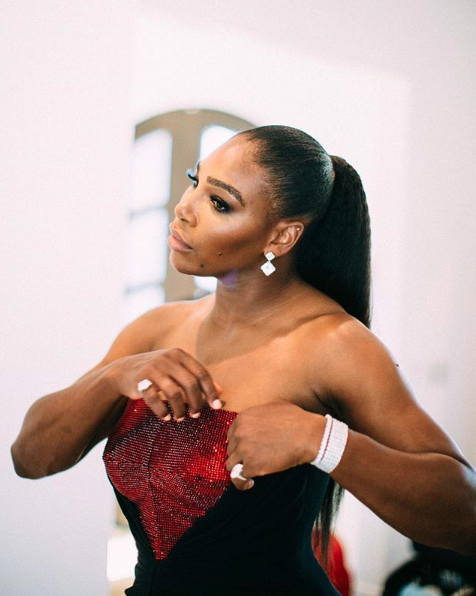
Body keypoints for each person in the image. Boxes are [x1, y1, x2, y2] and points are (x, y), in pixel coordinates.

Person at [11, 126, 476, 596]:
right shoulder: (155, 329)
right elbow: (29, 459)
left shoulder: (335, 344)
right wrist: (113, 377)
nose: (184, 208)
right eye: (195, 181)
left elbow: (467, 516)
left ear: (282, 236)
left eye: (219, 203)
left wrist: (321, 440)